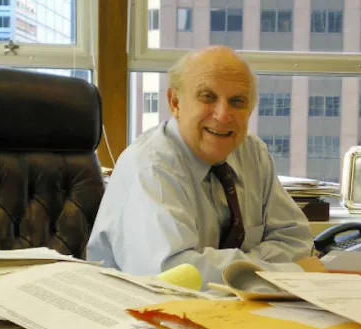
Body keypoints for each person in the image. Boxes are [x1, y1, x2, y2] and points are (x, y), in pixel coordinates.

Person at [87, 46, 317, 287]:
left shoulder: (252, 154)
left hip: (232, 310)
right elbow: (173, 275)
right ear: (175, 102)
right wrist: (279, 271)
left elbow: (297, 241)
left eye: (237, 101)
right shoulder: (150, 166)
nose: (223, 115)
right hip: (142, 313)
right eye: (208, 97)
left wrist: (249, 268)